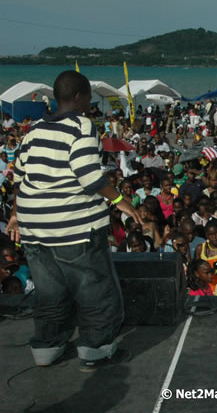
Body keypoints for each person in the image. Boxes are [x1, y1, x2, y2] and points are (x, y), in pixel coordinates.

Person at [6, 70, 141, 372]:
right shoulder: (82, 125)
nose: (90, 103)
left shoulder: (34, 129)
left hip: (34, 227)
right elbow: (89, 175)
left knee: (49, 291)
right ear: (80, 97)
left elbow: (20, 178)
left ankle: (47, 349)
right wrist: (121, 202)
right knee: (94, 290)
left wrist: (15, 214)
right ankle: (96, 350)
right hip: (74, 226)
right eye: (90, 98)